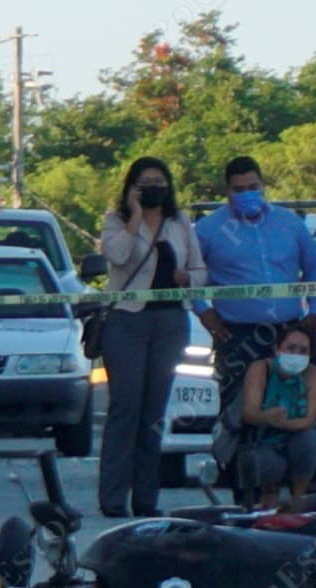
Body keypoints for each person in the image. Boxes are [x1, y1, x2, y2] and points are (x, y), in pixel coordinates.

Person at [194, 156, 316, 502]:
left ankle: (299, 496)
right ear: (227, 192)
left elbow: (314, 269)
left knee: (297, 408)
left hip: (289, 333)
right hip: (236, 335)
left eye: (253, 188)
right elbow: (190, 278)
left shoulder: (289, 223)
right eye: (239, 190)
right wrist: (203, 313)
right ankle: (245, 498)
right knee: (240, 415)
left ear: (263, 185)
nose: (247, 194)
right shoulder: (209, 230)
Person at [98, 156, 207, 518]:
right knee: (125, 407)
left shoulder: (180, 223)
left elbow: (200, 270)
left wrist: (186, 279)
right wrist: (133, 216)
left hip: (170, 322)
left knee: (154, 412)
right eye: (144, 182)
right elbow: (116, 255)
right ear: (132, 187)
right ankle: (113, 499)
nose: (153, 188)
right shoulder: (115, 221)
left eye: (159, 180)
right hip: (126, 321)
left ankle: (147, 500)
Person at [236, 325, 316, 510]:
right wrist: (267, 418)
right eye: (291, 348)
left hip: (297, 434)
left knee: (309, 441)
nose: (296, 355)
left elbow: (309, 420)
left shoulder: (315, 374)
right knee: (267, 461)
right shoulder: (260, 369)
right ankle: (269, 500)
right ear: (277, 348)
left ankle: (299, 498)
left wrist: (282, 422)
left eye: (303, 351)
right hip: (264, 436)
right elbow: (250, 413)